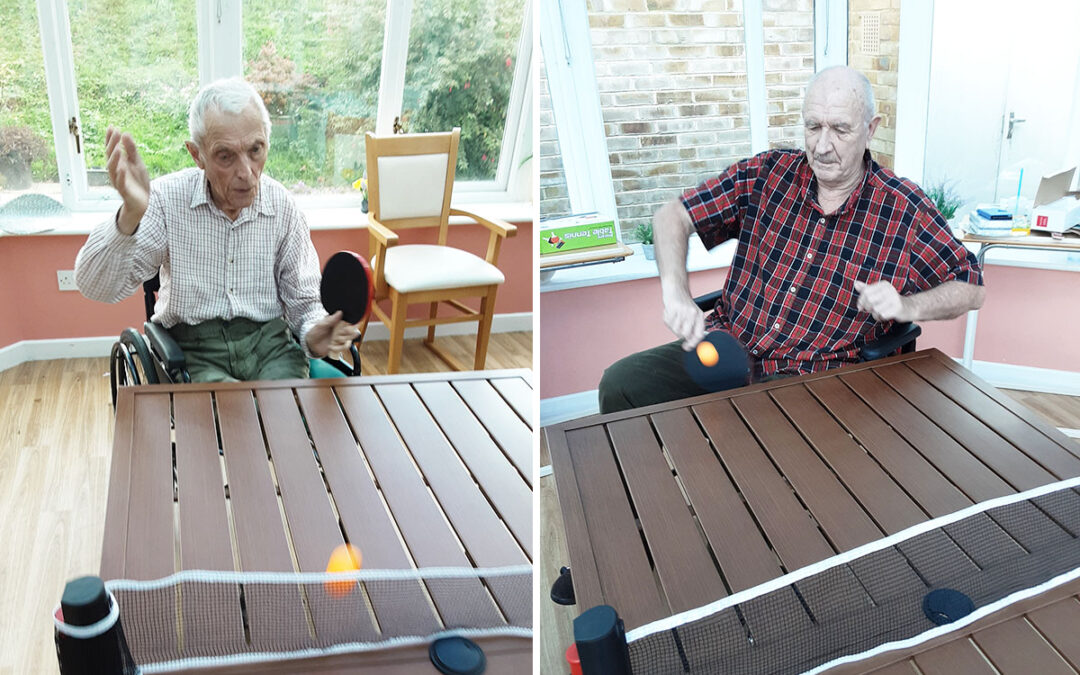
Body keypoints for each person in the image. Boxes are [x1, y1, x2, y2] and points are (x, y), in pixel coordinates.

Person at [599, 66, 985, 413]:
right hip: (728, 347)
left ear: (870, 129)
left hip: (812, 378)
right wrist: (676, 293)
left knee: (748, 450)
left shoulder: (904, 208)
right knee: (621, 385)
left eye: (840, 129)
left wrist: (907, 304)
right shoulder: (767, 174)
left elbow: (971, 287)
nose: (821, 145)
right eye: (813, 127)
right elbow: (673, 216)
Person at [75, 78, 357, 382]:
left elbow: (304, 300)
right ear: (198, 155)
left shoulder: (282, 206)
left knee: (288, 418)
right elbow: (95, 286)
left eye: (255, 150)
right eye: (225, 156)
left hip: (270, 346)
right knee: (229, 423)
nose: (246, 173)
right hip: (195, 348)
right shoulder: (167, 201)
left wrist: (315, 333)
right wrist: (130, 215)